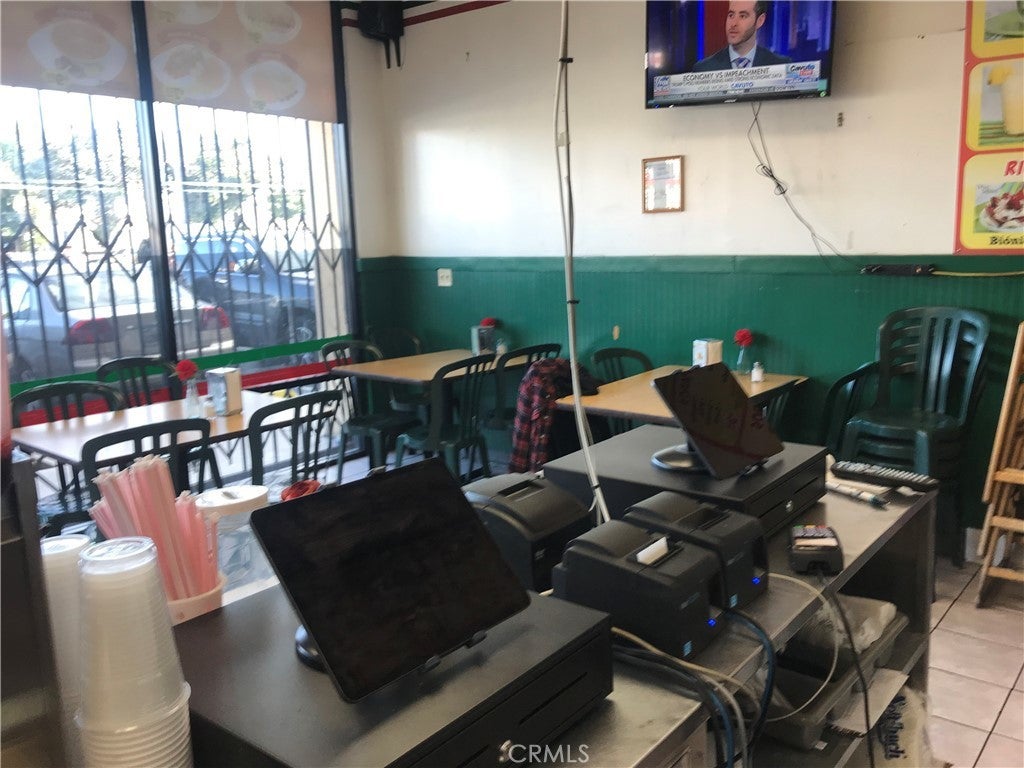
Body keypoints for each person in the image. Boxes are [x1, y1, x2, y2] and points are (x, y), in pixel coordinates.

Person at [692, 1, 792, 72]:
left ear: (760, 21)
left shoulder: (781, 66)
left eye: (743, 16)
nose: (733, 24)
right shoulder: (703, 69)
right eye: (731, 15)